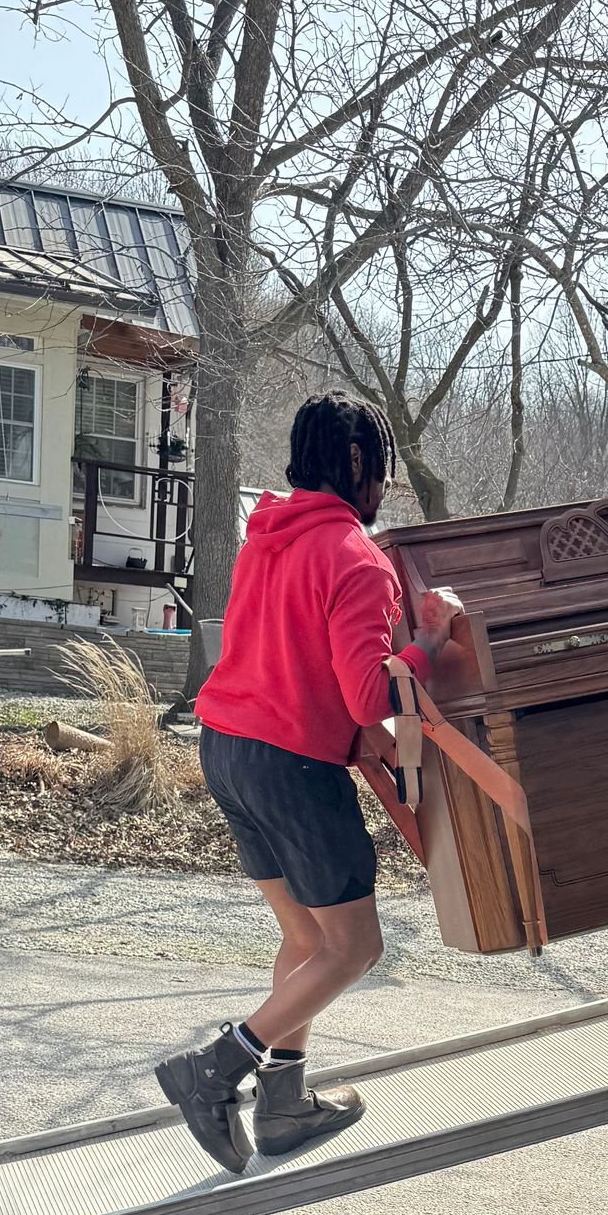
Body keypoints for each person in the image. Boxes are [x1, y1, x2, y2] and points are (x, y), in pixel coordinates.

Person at [155, 391, 449, 1174]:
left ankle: (284, 1107)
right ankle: (216, 1070)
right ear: (359, 465)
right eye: (380, 469)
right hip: (290, 764)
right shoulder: (356, 558)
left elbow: (294, 658)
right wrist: (433, 646)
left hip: (226, 749)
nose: (381, 486)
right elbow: (368, 695)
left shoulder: (266, 540)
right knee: (353, 949)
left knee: (306, 938)